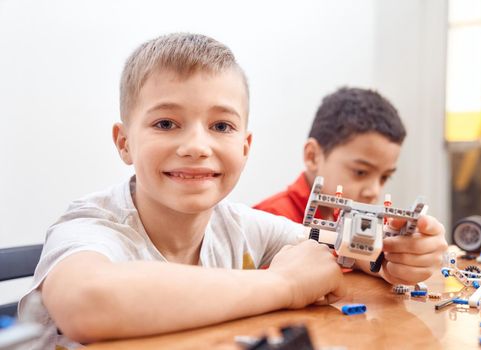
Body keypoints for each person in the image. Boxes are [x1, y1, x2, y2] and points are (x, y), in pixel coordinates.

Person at [19, 33, 447, 349]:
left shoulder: (242, 225)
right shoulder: (90, 226)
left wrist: (391, 258)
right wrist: (283, 284)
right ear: (124, 142)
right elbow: (89, 303)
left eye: (221, 126)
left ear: (245, 146)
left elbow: (330, 247)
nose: (196, 146)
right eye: (166, 123)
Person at [254, 87, 406, 223]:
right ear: (312, 156)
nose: (374, 192)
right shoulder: (268, 221)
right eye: (360, 172)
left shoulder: (379, 226)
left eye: (384, 177)